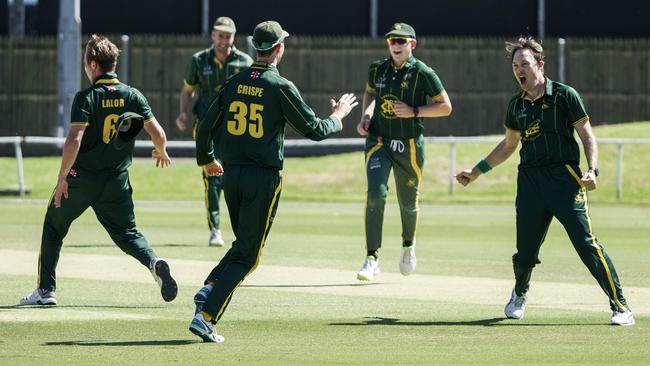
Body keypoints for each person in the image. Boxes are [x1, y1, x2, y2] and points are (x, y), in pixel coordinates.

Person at [189, 20, 358, 342]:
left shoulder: (234, 82)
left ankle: (210, 286)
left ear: (255, 47)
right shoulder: (280, 87)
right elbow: (315, 131)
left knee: (242, 245)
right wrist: (338, 116)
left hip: (230, 176)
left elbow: (206, 125)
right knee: (249, 255)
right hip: (262, 179)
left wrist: (207, 160)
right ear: (279, 49)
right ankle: (207, 316)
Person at [455, 37, 634, 326]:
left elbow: (587, 136)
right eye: (515, 65)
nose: (519, 70)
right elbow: (509, 145)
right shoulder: (516, 105)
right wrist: (476, 172)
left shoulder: (565, 95)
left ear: (539, 64)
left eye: (524, 63)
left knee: (586, 244)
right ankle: (520, 292)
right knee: (525, 253)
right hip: (530, 183)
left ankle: (621, 305)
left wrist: (593, 170)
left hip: (564, 180)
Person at [19, 34, 177, 306]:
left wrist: (61, 179)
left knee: (54, 225)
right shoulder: (133, 96)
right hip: (116, 181)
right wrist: (161, 151)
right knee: (128, 234)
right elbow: (159, 133)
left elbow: (74, 140)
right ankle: (153, 262)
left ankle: (45, 291)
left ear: (93, 64)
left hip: (82, 179)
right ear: (113, 63)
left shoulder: (86, 98)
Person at [355, 22, 452, 281]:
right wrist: (366, 114)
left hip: (408, 144)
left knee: (408, 203)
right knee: (376, 194)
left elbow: (445, 106)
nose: (396, 45)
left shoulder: (423, 73)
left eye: (401, 41)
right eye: (392, 41)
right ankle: (371, 257)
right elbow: (370, 92)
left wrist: (414, 111)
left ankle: (408, 246)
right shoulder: (377, 68)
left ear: (412, 44)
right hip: (379, 140)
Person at [176, 16, 253, 247]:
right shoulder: (199, 60)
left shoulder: (245, 62)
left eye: (227, 36)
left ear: (233, 37)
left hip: (234, 129)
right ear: (212, 36)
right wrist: (183, 112)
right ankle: (215, 229)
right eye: (220, 35)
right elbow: (187, 90)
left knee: (234, 177)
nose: (223, 40)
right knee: (212, 178)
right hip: (206, 128)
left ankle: (242, 232)